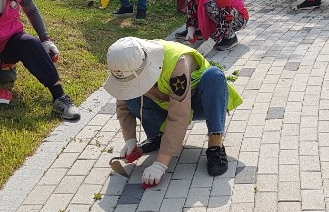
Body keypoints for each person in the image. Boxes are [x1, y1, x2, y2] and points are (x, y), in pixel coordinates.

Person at [103, 36, 243, 187]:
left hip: (199, 102)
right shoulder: (128, 61)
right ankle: (159, 137)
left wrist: (160, 164)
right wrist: (130, 140)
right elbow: (123, 103)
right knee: (130, 96)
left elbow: (179, 114)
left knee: (214, 75)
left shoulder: (177, 61)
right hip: (166, 103)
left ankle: (215, 145)